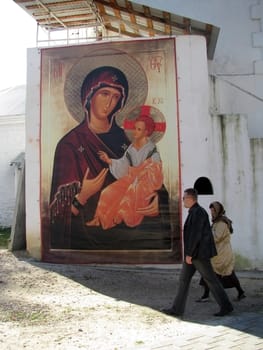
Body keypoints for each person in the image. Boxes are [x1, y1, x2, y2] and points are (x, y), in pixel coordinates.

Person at [49, 66, 171, 250]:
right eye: (105, 94)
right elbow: (57, 217)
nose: (110, 102)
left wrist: (158, 200)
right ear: (88, 96)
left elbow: (152, 176)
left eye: (116, 97)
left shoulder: (129, 139)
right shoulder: (70, 145)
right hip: (90, 238)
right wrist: (82, 196)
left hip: (135, 227)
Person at [161, 188, 234, 317]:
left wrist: (189, 254)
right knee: (183, 280)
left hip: (198, 255)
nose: (182, 201)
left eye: (184, 198)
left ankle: (226, 306)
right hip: (193, 255)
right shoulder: (194, 212)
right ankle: (177, 309)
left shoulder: (198, 213)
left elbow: (196, 235)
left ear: (190, 199)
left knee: (211, 280)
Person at [86, 114, 163, 229]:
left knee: (131, 191)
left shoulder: (152, 150)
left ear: (146, 132)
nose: (134, 132)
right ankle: (99, 219)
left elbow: (156, 173)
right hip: (131, 178)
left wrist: (142, 174)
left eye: (139, 129)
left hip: (144, 183)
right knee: (107, 192)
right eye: (134, 128)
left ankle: (120, 216)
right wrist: (109, 160)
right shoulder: (132, 147)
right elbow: (124, 164)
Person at [196, 201, 246, 302]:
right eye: (211, 211)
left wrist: (204, 234)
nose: (212, 213)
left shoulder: (222, 223)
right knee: (209, 273)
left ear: (218, 211)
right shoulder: (217, 222)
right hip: (217, 253)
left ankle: (240, 292)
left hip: (222, 254)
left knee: (227, 274)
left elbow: (216, 238)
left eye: (213, 211)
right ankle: (206, 295)